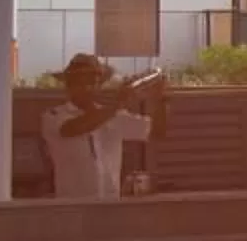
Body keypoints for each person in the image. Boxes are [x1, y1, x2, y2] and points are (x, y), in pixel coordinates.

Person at [40, 54, 163, 199]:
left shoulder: (114, 115)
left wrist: (160, 99)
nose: (87, 88)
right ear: (69, 87)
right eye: (79, 83)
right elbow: (72, 128)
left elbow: (156, 132)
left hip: (109, 207)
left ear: (99, 86)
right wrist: (118, 103)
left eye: (92, 82)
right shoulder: (53, 116)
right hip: (71, 209)